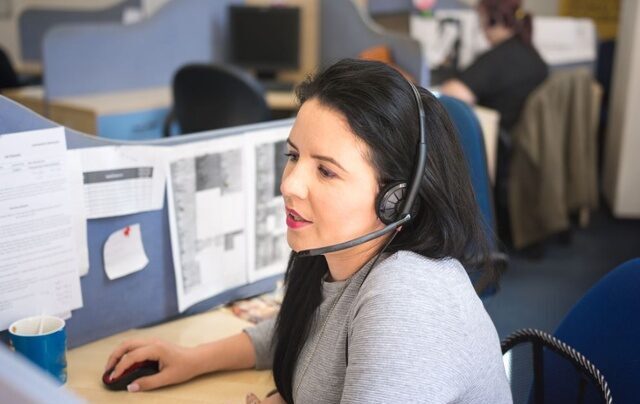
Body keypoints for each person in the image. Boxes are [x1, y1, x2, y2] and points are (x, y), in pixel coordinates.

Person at [104, 59, 512, 403]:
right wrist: (192, 357)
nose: (289, 185)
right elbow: (297, 334)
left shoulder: (406, 296)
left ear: (396, 198)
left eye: (326, 171)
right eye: (293, 156)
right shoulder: (333, 251)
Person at [440, 0, 548, 132]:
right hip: (523, 141)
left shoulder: (498, 58)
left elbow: (451, 94)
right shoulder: (532, 55)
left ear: (493, 20)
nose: (480, 26)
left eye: (482, 18)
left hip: (496, 143)